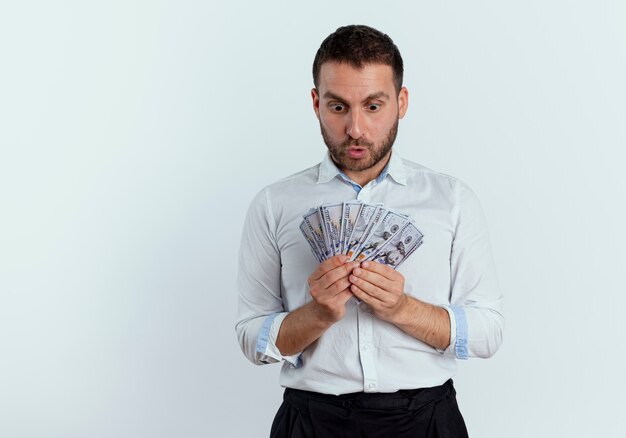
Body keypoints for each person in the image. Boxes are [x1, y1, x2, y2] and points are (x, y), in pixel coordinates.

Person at [236, 24, 504, 438]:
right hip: (310, 421)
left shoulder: (452, 199)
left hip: (427, 420)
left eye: (373, 106)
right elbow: (251, 338)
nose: (356, 129)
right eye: (338, 106)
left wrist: (402, 308)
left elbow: (488, 332)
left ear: (402, 101)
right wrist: (317, 313)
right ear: (316, 103)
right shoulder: (274, 204)